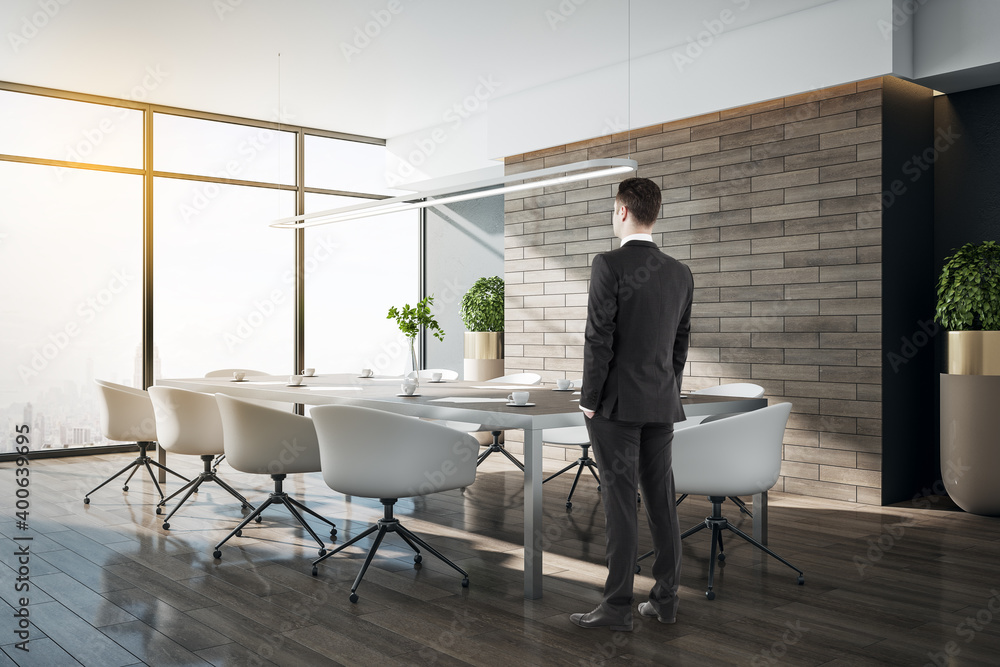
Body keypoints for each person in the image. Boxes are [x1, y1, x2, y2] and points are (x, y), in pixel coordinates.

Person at [570, 176, 693, 631]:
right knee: (661, 501)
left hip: (616, 407)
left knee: (620, 502)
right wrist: (667, 389)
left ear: (622, 211)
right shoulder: (681, 273)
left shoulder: (609, 264)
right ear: (654, 212)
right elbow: (679, 347)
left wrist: (589, 399)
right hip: (662, 402)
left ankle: (617, 607)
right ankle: (665, 600)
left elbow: (598, 339)